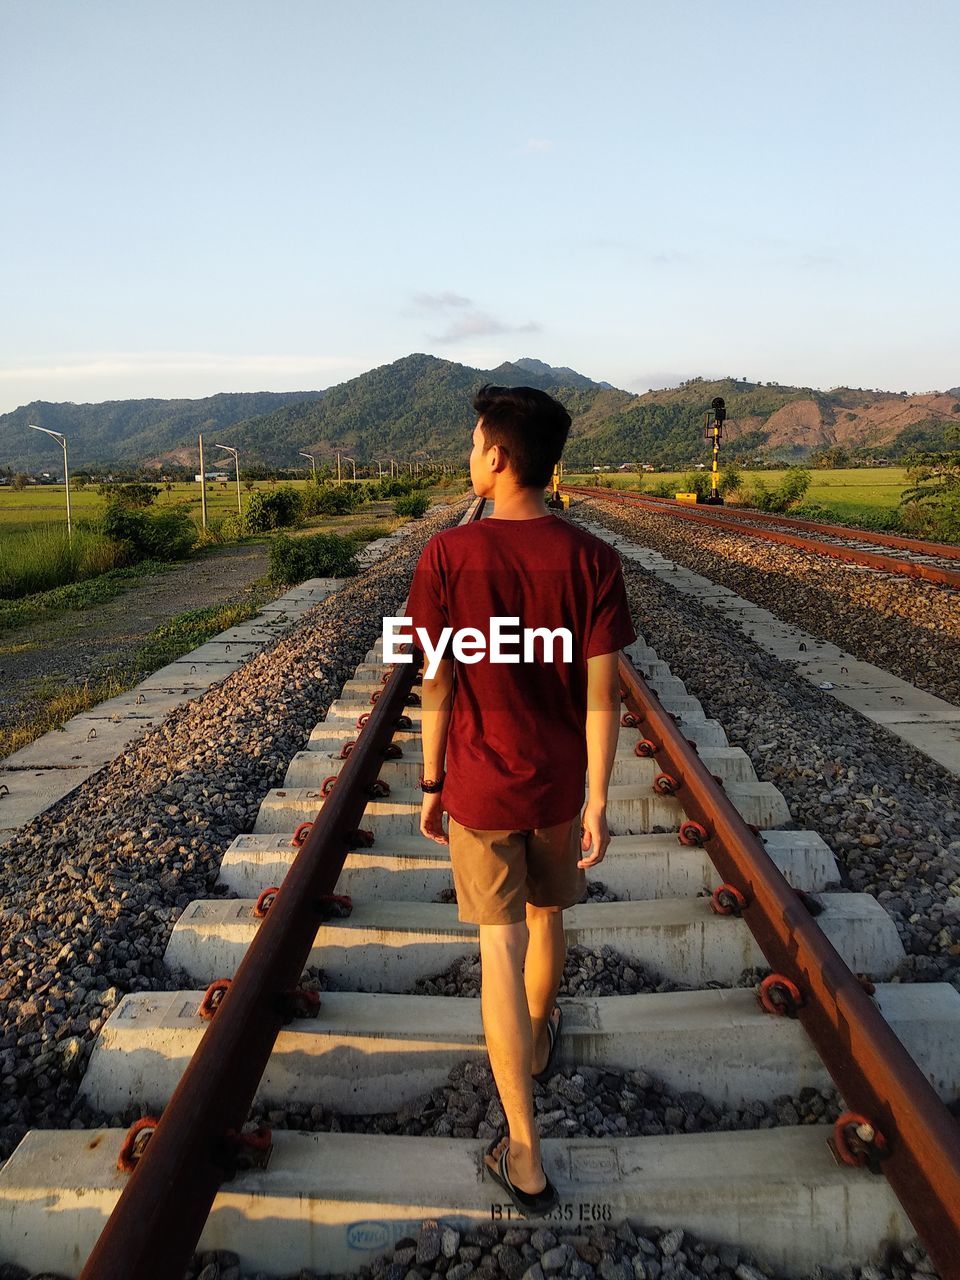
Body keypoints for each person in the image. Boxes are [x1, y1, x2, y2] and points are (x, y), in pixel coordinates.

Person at [406, 384, 637, 1217]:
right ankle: (536, 1042)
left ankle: (527, 1150)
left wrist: (431, 783)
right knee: (549, 923)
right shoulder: (593, 560)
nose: (469, 455)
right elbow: (601, 698)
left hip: (478, 784)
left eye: (474, 443)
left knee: (497, 950)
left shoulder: (445, 557)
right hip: (554, 786)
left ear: (498, 458)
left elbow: (435, 683)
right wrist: (600, 800)